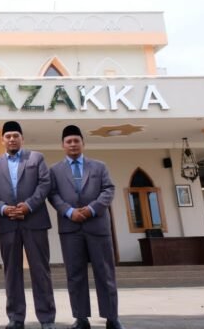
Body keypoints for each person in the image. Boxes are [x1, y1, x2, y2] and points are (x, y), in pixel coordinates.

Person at [48, 125, 125, 329]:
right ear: (63, 145)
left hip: (97, 226)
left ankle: (112, 317)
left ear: (83, 143)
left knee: (105, 273)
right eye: (69, 141)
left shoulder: (99, 167)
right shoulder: (54, 170)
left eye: (76, 141)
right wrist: (69, 211)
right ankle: (81, 318)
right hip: (70, 228)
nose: (73, 144)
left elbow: (108, 190)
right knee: (75, 275)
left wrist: (91, 209)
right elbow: (53, 194)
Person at [0, 121, 56, 329]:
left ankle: (46, 318)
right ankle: (15, 318)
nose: (12, 139)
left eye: (16, 135)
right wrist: (3, 208)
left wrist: (29, 205)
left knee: (40, 271)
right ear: (2, 140)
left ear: (22, 138)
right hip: (7, 223)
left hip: (34, 221)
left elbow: (45, 184)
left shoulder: (36, 158)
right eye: (8, 136)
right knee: (12, 272)